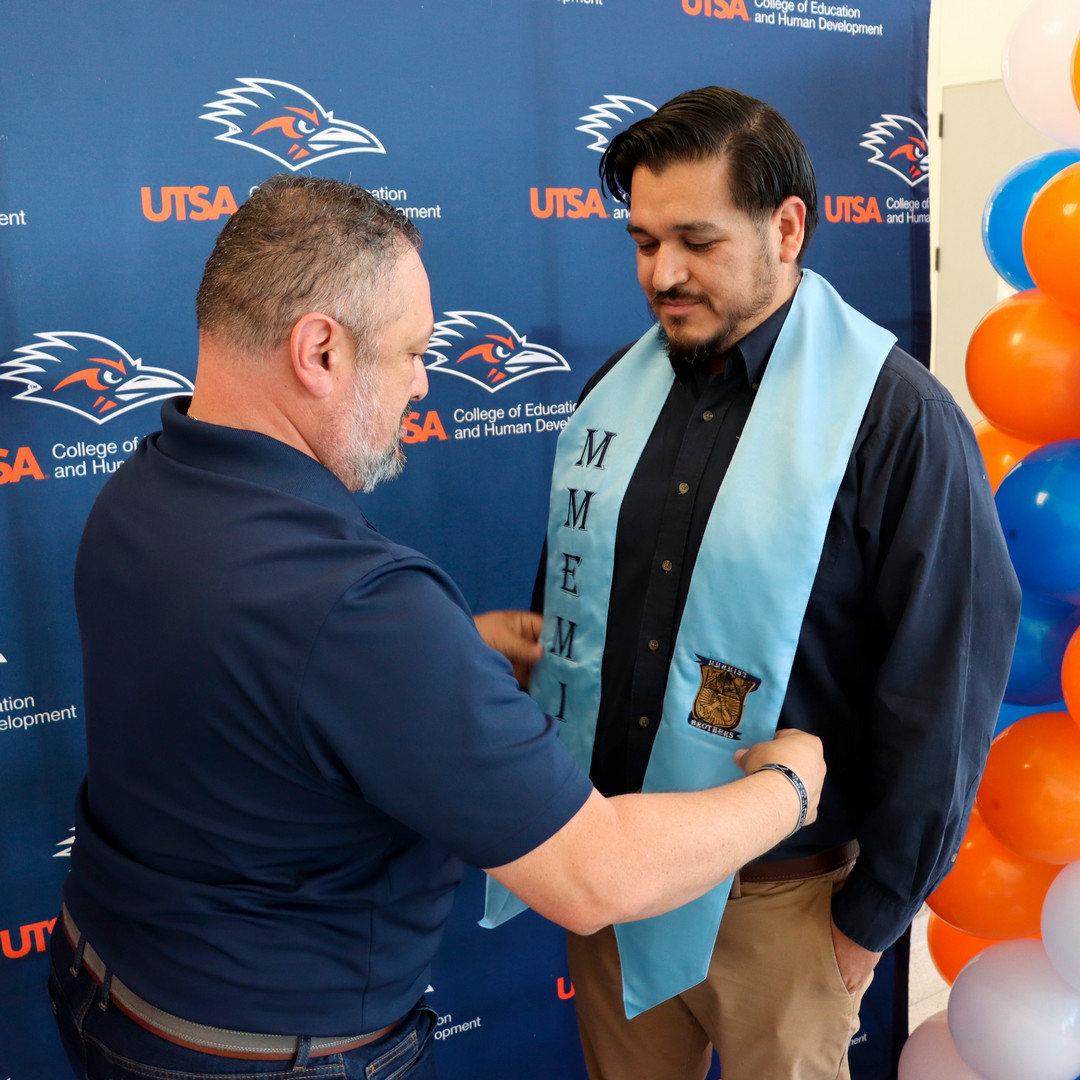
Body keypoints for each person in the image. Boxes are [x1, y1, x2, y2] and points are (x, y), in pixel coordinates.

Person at [48, 173, 826, 1080]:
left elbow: (254, 684)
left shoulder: (141, 488)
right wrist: (791, 791)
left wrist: (443, 656)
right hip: (257, 1053)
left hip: (111, 991)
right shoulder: (361, 609)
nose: (425, 383)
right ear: (321, 351)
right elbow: (594, 876)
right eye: (412, 352)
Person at [527, 88, 1021, 1080]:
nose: (660, 275)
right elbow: (568, 620)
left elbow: (941, 689)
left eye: (696, 242)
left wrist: (870, 919)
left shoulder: (897, 422)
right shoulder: (610, 400)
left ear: (787, 227)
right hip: (619, 880)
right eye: (643, 242)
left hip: (790, 912)